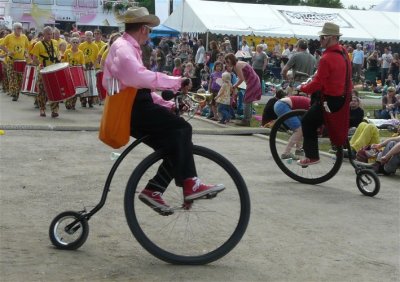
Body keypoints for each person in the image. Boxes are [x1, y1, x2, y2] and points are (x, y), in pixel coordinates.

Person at [103, 7, 224, 214]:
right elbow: (139, 78)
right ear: (143, 29)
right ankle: (190, 183)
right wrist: (175, 82)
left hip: (135, 105)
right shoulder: (123, 49)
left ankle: (154, 190)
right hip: (132, 109)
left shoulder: (128, 47)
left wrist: (167, 104)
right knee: (183, 130)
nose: (149, 35)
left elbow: (139, 88)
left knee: (176, 145)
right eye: (149, 30)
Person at [297, 22, 353, 166]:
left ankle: (312, 156)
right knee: (322, 121)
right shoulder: (343, 52)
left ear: (332, 37)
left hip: (330, 100)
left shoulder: (326, 58)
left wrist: (303, 88)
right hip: (343, 97)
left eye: (323, 37)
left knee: (307, 121)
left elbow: (318, 84)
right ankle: (333, 142)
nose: (320, 40)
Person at [31, 26, 61, 118]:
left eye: (51, 34)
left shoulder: (55, 43)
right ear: (43, 34)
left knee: (55, 91)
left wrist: (59, 60)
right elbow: (34, 58)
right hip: (43, 72)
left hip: (53, 71)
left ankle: (54, 110)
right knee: (42, 92)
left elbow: (58, 55)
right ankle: (42, 109)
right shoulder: (38, 44)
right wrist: (40, 65)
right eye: (48, 34)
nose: (50, 36)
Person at [225, 53, 262, 126]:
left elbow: (241, 78)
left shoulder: (237, 66)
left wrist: (234, 86)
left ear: (231, 60)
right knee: (249, 100)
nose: (226, 64)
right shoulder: (239, 63)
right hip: (254, 80)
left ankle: (246, 120)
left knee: (246, 100)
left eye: (227, 61)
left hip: (252, 82)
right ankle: (248, 118)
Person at [274, 95, 311, 160]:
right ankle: (286, 153)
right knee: (299, 129)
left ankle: (298, 150)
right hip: (283, 105)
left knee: (299, 128)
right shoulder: (313, 107)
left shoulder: (312, 103)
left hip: (280, 104)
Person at [0, 22, 29, 102]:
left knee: (20, 79)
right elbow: (1, 45)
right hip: (11, 61)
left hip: (21, 61)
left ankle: (17, 92)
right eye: (18, 28)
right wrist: (8, 51)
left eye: (21, 28)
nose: (20, 30)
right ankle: (14, 93)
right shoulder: (9, 37)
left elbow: (27, 47)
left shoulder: (24, 37)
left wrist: (26, 54)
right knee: (12, 77)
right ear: (14, 29)